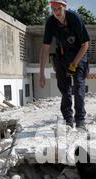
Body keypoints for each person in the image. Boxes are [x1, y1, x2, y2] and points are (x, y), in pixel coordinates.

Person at [39, 0, 90, 129]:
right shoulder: (51, 23)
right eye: (53, 9)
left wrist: (74, 64)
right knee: (65, 90)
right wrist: (41, 73)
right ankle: (68, 119)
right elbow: (45, 48)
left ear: (65, 7)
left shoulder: (75, 18)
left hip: (79, 54)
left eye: (59, 8)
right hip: (62, 56)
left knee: (78, 89)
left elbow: (85, 44)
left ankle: (80, 120)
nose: (56, 12)